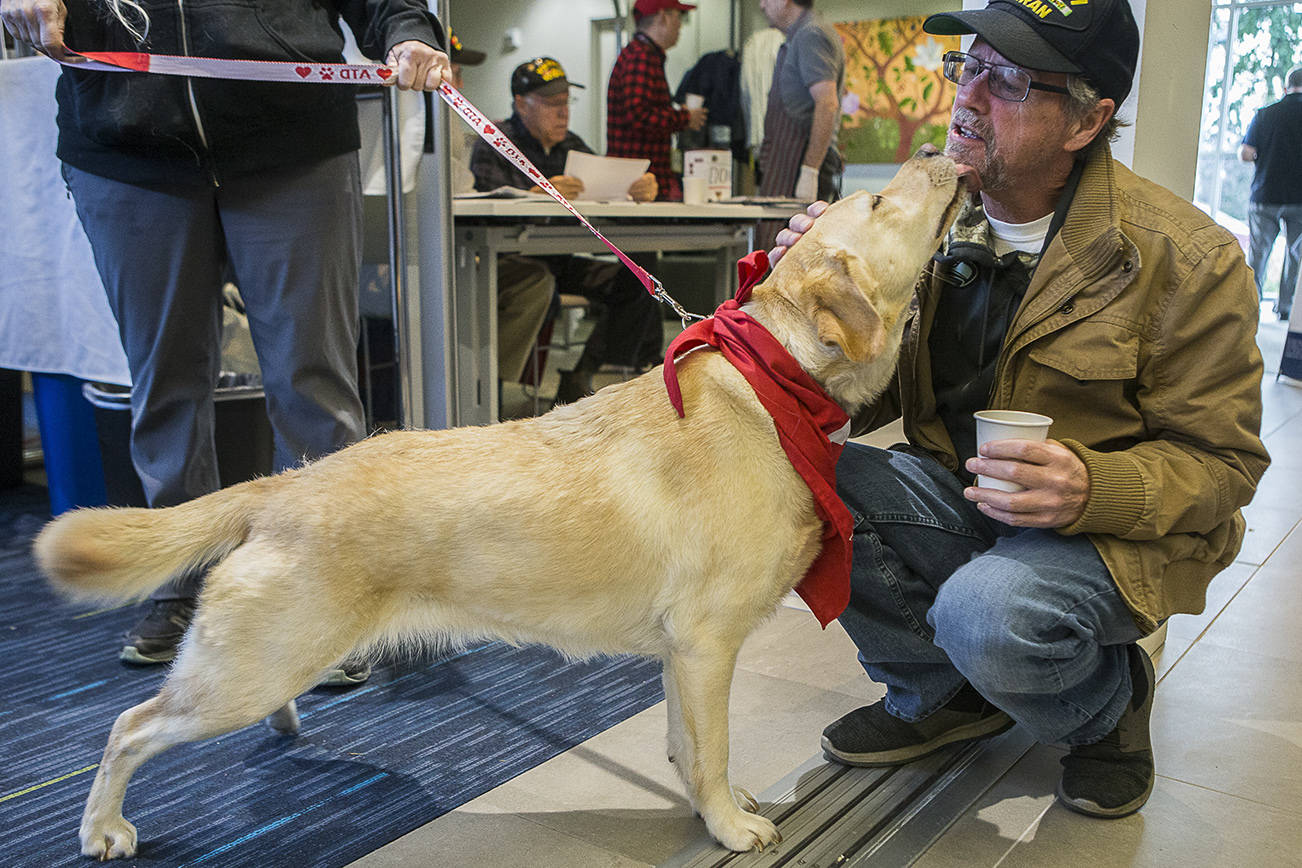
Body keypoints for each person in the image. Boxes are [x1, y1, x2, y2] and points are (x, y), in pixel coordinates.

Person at [771, 0, 1268, 818]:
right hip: (962, 495)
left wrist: (1090, 488)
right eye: (966, 67)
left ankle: (1107, 707)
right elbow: (857, 401)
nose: (967, 98)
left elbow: (1225, 465)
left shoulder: (1187, 258)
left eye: (1006, 81)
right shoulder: (930, 222)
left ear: (1088, 119)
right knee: (789, 474)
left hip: (1106, 537)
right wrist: (812, 310)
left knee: (986, 612)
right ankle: (946, 695)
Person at [1, 0, 448, 684]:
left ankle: (334, 589)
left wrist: (411, 34)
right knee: (164, 384)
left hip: (292, 146)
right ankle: (182, 585)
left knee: (313, 381)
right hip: (125, 150)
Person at [470, 56, 664, 403]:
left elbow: (604, 187)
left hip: (560, 260)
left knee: (640, 273)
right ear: (520, 103)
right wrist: (535, 195)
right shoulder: (496, 142)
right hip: (512, 261)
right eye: (552, 104)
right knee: (536, 281)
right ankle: (490, 395)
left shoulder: (570, 144)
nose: (563, 113)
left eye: (566, 103)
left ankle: (587, 373)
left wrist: (634, 189)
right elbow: (485, 207)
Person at [445, 33, 554, 388]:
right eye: (451, 71)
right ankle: (481, 389)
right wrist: (537, 193)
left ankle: (490, 389)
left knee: (536, 280)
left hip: (477, 249)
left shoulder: (455, 130)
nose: (457, 84)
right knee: (532, 281)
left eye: (459, 73)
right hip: (440, 258)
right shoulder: (489, 138)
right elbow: (481, 198)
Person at [606, 0, 707, 202]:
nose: (680, 25)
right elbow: (638, 116)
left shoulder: (641, 55)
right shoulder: (641, 57)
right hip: (636, 188)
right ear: (663, 17)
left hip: (642, 183)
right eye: (679, 16)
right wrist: (685, 118)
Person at [756, 0, 844, 203]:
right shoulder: (799, 35)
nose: (762, 6)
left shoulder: (811, 34)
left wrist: (809, 171)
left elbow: (827, 103)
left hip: (802, 160)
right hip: (790, 159)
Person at [1239, 65, 1302, 320]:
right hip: (1300, 199)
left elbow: (1246, 153)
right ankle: (1285, 308)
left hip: (1265, 195)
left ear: (1285, 88)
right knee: (1295, 255)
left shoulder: (1265, 115)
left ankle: (1251, 308)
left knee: (1258, 255)